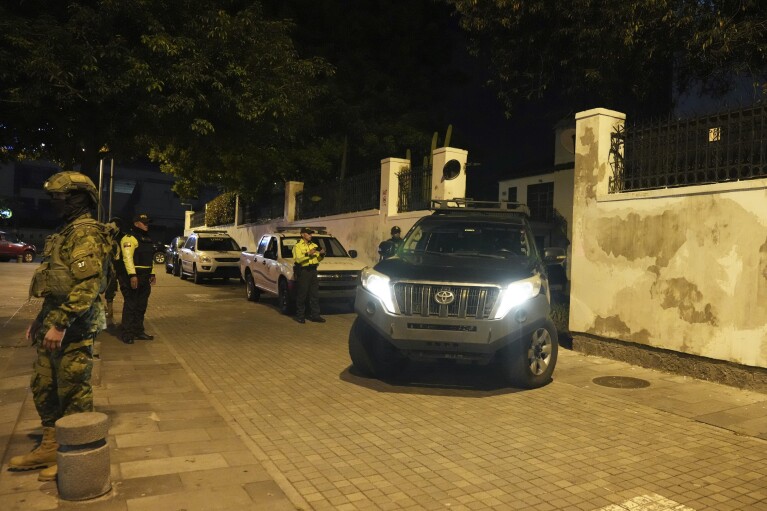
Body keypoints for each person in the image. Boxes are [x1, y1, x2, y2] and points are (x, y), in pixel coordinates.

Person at [9, 171, 112, 481]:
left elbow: (88, 286)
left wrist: (62, 323)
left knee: (73, 390)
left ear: (79, 200)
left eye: (60, 198)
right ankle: (51, 444)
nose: (55, 203)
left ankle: (76, 455)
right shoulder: (65, 232)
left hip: (75, 326)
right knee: (44, 386)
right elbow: (56, 283)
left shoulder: (85, 233)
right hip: (55, 323)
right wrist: (42, 319)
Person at [120, 213, 156, 344]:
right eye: (144, 222)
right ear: (136, 224)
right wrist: (132, 275)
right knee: (131, 305)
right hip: (134, 277)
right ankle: (127, 333)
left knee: (141, 306)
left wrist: (152, 273)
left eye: (147, 222)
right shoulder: (129, 238)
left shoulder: (147, 239)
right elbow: (127, 258)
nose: (147, 224)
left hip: (145, 277)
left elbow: (149, 259)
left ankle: (138, 331)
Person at [291, 227, 325, 324]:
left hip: (313, 271)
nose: (311, 235)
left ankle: (315, 315)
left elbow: (318, 259)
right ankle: (300, 316)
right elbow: (298, 259)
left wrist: (322, 254)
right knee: (302, 294)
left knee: (314, 294)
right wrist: (308, 254)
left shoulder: (314, 245)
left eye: (311, 234)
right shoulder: (297, 246)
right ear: (302, 234)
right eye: (309, 233)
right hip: (304, 271)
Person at [103, 216, 125, 324]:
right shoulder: (108, 236)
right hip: (108, 267)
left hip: (119, 268)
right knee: (108, 287)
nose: (110, 226)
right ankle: (109, 309)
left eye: (113, 224)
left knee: (120, 288)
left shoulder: (122, 237)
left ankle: (115, 311)